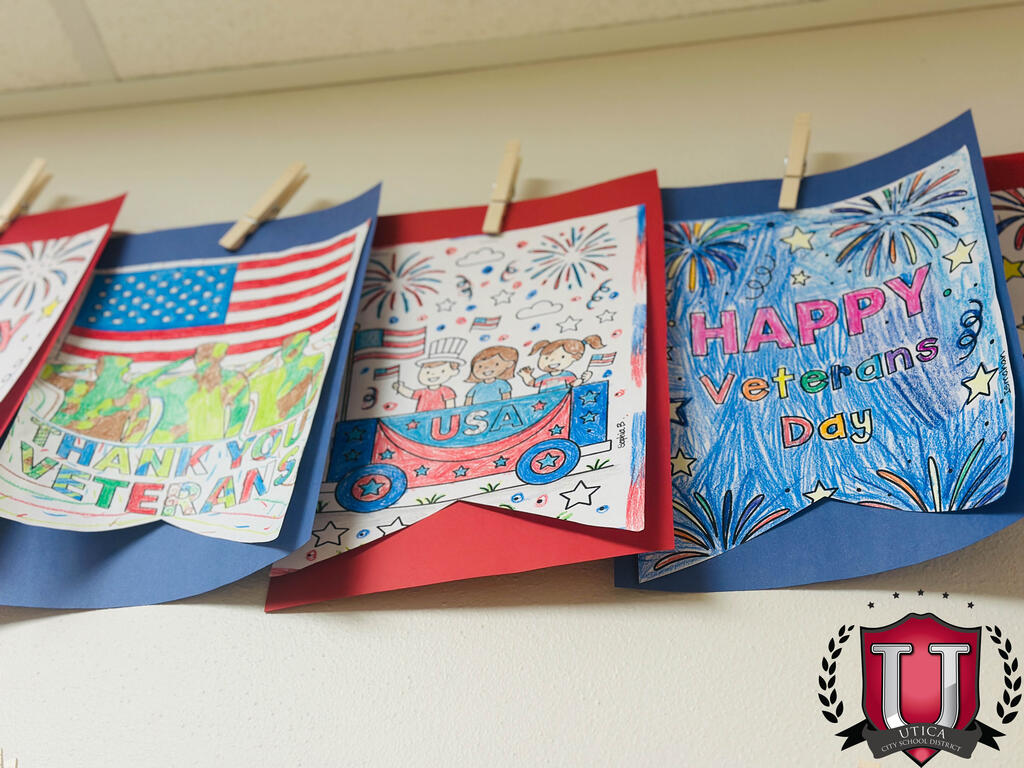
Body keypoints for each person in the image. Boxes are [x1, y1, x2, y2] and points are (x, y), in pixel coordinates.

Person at [393, 337, 466, 412]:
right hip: (421, 418)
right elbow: (411, 393)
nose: (433, 374)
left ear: (453, 372)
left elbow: (450, 408)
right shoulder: (423, 392)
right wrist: (400, 388)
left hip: (440, 417)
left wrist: (450, 415)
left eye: (442, 371)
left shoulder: (446, 391)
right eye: (427, 372)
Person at [518, 335, 604, 392]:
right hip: (544, 404)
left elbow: (573, 384)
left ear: (574, 358)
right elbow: (532, 383)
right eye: (546, 358)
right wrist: (526, 375)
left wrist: (583, 380)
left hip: (563, 403)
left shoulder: (567, 375)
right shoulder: (544, 378)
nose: (552, 361)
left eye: (562, 357)